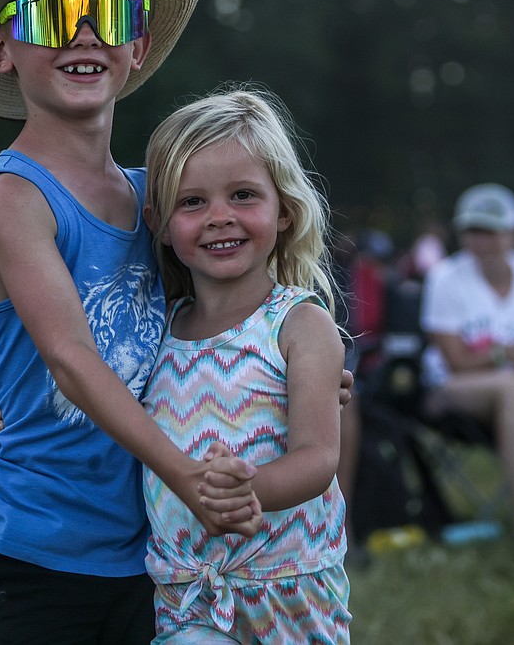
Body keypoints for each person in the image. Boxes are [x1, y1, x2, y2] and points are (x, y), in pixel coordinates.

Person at [0, 0, 337, 643]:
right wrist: (185, 476)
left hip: (149, 546)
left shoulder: (158, 205)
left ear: (137, 46)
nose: (84, 33)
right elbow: (72, 358)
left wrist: (302, 366)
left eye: (108, 14)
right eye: (53, 14)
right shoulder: (14, 199)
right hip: (39, 539)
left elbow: (223, 318)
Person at [139, 87, 350, 641]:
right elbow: (94, 397)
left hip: (292, 594)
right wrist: (3, 419)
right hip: (187, 595)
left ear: (284, 209)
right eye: (192, 202)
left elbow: (319, 457)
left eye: (242, 196)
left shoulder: (300, 324)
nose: (218, 218)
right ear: (159, 220)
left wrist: (249, 487)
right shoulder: (154, 330)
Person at [419, 183, 514, 542]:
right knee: (512, 386)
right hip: (450, 390)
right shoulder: (445, 278)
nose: (479, 240)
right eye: (471, 230)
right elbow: (454, 361)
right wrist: (507, 353)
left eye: (489, 229)